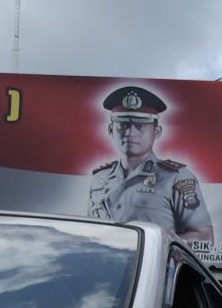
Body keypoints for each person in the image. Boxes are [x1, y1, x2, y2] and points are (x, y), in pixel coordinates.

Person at [88, 85, 213, 243]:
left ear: (157, 132)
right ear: (111, 130)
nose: (130, 132)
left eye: (140, 126)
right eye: (123, 124)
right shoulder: (99, 179)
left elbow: (204, 237)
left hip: (152, 266)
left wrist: (166, 246)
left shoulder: (176, 178)